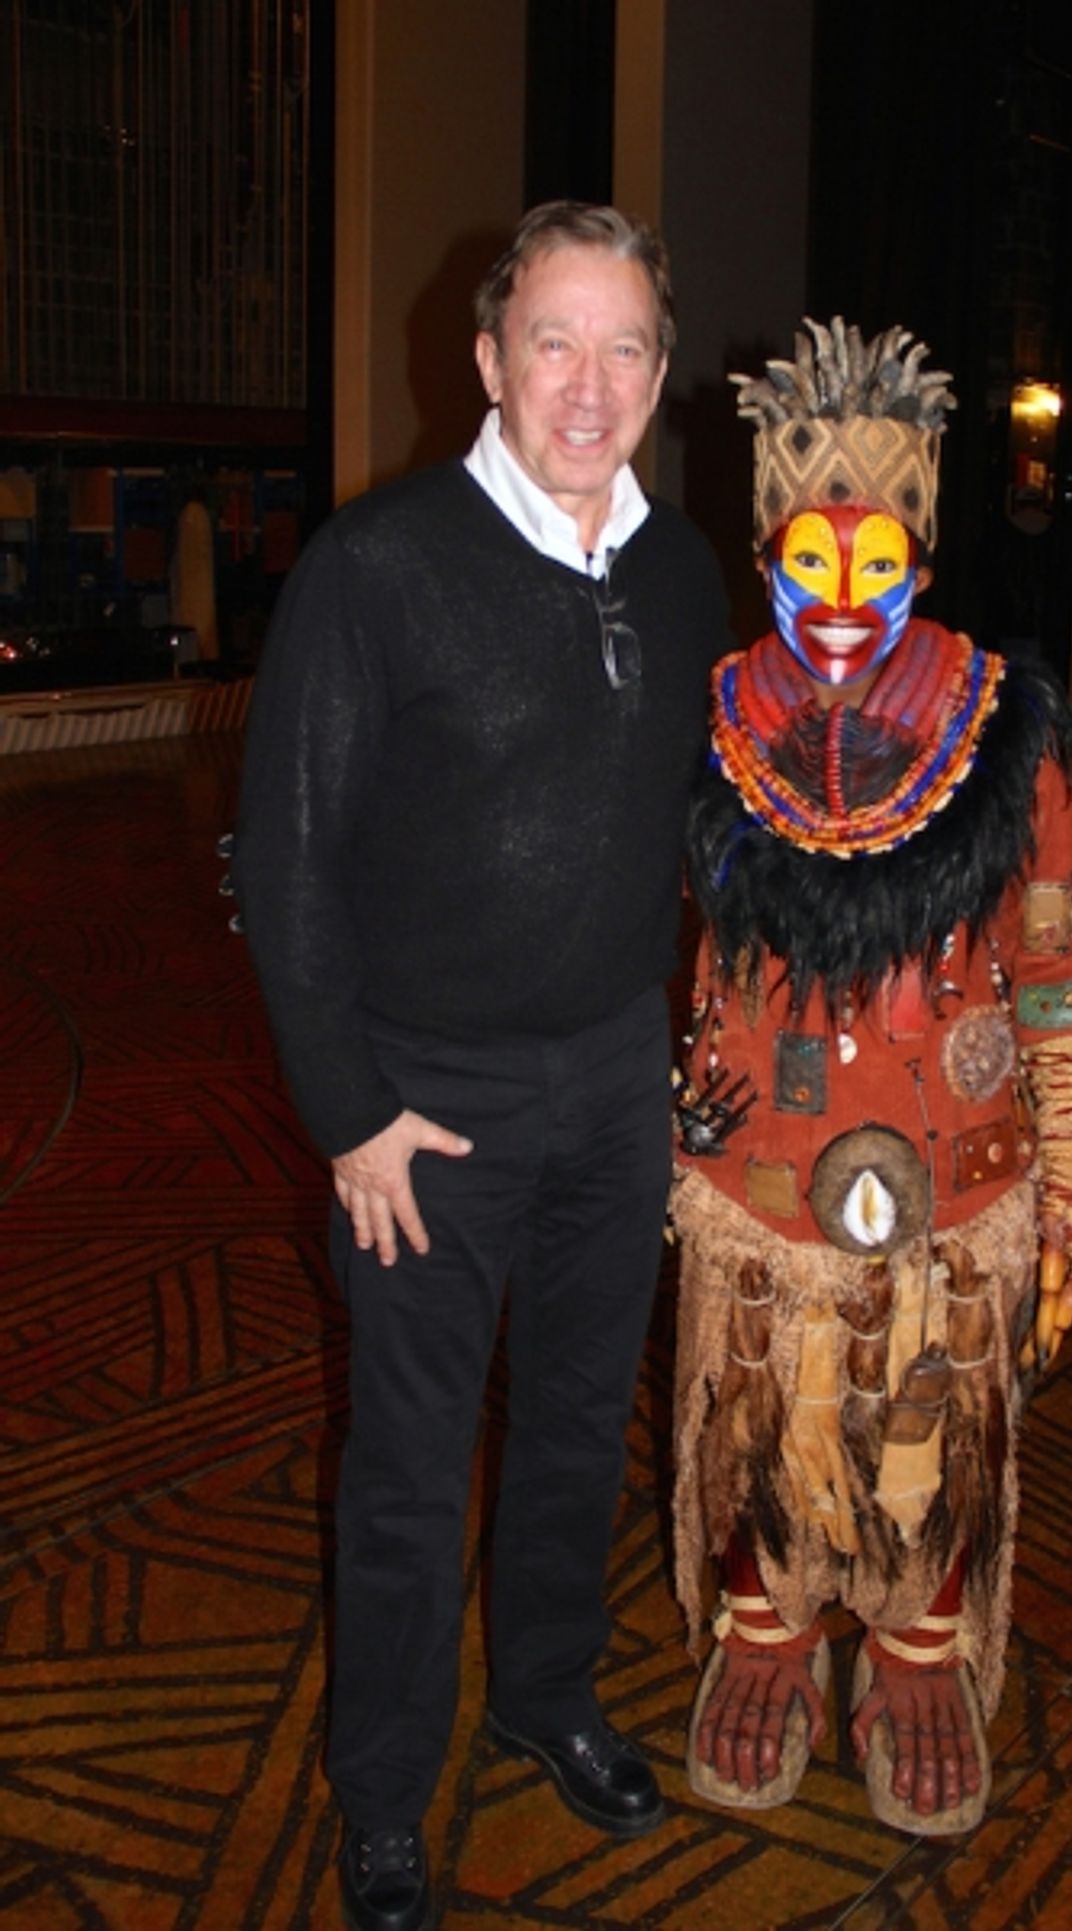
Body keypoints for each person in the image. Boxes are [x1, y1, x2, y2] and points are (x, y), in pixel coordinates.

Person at [232, 202, 729, 1931]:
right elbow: (282, 867)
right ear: (488, 361)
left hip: (613, 1085)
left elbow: (705, 823)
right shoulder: (377, 570)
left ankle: (544, 1695)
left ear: (661, 373)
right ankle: (381, 1793)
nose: (587, 387)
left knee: (584, 1426)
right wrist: (350, 1113)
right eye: (553, 344)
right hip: (424, 1107)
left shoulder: (682, 571)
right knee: (407, 1468)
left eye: (625, 350)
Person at [669, 318, 1072, 1837]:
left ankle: (920, 1641)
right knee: (757, 1402)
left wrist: (1067, 1194)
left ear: (920, 556)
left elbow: (1059, 977)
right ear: (766, 552)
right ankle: (771, 1624)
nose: (843, 600)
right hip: (753, 1163)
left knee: (932, 1400)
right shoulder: (714, 716)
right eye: (812, 556)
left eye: (876, 562)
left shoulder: (999, 732)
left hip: (959, 1169)